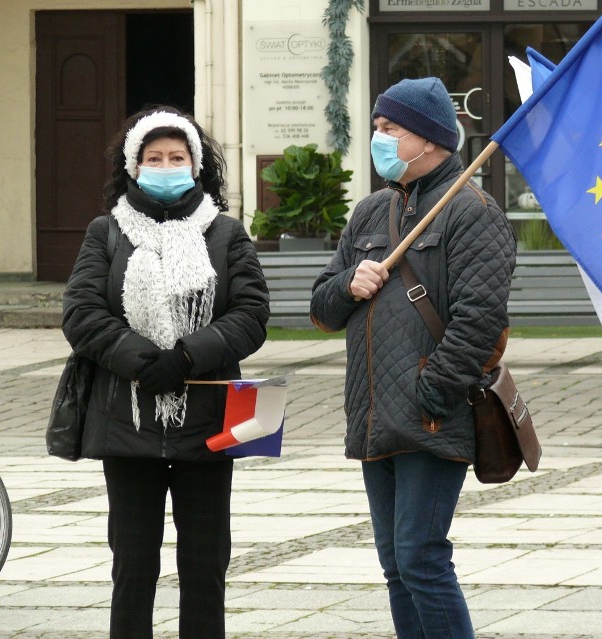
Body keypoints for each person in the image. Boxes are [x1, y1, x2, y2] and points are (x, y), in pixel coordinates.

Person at [310, 77, 516, 638]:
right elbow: (322, 309)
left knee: (422, 557)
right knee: (396, 566)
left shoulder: (472, 210)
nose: (379, 139)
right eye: (376, 127)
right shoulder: (372, 212)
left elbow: (480, 322)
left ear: (429, 139)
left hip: (430, 413)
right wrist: (349, 284)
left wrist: (431, 392)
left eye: (390, 129)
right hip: (375, 415)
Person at [62, 106, 270, 638]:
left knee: (205, 568)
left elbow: (250, 315)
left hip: (208, 422)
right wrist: (140, 360)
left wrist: (186, 357)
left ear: (195, 165)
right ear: (133, 166)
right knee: (133, 567)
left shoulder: (225, 234)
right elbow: (82, 313)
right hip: (125, 423)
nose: (165, 165)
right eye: (154, 157)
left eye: (177, 156)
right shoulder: (105, 232)